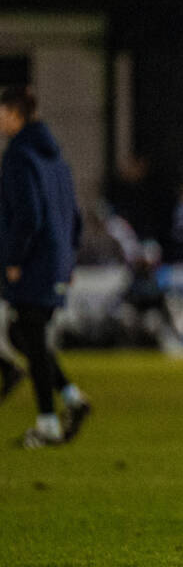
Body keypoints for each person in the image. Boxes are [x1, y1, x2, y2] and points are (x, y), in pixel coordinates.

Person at [0, 86, 90, 447]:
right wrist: (69, 256)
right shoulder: (56, 158)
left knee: (30, 337)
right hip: (56, 258)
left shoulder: (19, 156)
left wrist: (14, 259)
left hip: (33, 260)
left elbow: (28, 215)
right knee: (24, 335)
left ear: (15, 114)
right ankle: (72, 399)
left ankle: (48, 424)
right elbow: (75, 215)